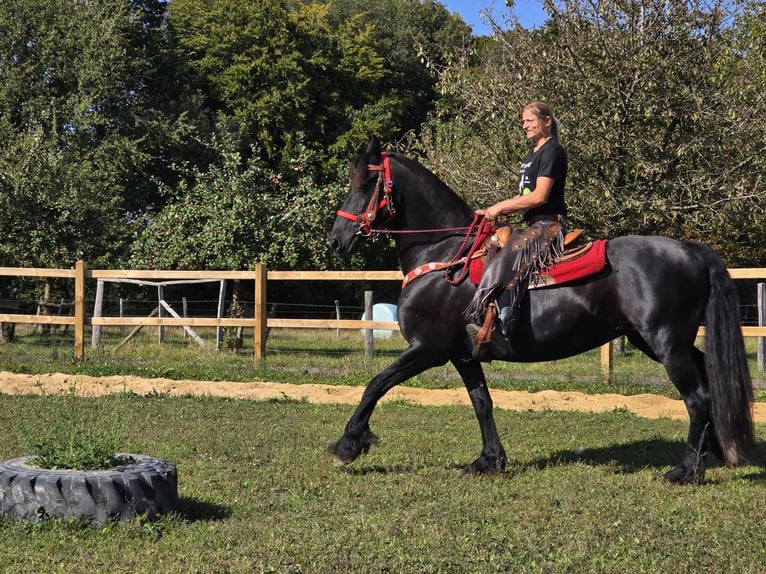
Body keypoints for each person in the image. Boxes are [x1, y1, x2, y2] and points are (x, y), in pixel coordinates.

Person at [466, 100, 568, 361]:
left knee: (511, 256)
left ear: (547, 121)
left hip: (549, 225)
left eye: (530, 120)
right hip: (532, 224)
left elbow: (539, 196)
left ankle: (504, 323)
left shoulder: (552, 151)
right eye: (523, 121)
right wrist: (497, 210)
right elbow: (524, 195)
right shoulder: (533, 153)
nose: (524, 125)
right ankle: (483, 313)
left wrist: (500, 206)